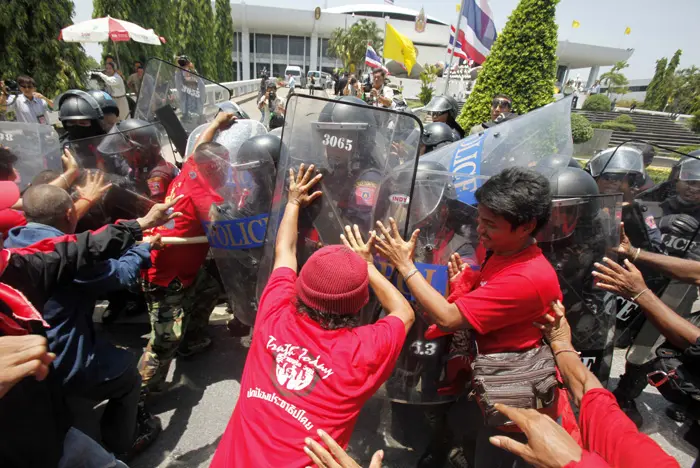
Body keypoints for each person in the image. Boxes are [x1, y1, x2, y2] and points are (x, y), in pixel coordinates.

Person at [210, 164, 415, 467]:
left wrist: (292, 201)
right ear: (360, 303)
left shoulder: (274, 315)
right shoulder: (362, 351)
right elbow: (404, 313)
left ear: (300, 288)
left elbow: (285, 252)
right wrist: (368, 266)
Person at [368, 167, 574, 467]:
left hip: (513, 402)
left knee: (492, 458)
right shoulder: (502, 252)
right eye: (479, 219)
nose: (479, 229)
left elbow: (448, 319)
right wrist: (468, 288)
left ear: (526, 226)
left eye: (490, 224)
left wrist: (405, 264)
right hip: (485, 384)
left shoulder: (528, 276)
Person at [0, 179, 180, 468]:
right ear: (71, 214)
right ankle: (126, 441)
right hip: (60, 362)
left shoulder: (13, 245)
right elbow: (119, 275)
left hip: (40, 359)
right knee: (129, 377)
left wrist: (137, 225)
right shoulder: (41, 260)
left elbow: (74, 249)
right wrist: (142, 247)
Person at [137, 112, 238, 394]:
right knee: (164, 340)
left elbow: (197, 149)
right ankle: (137, 401)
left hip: (185, 267)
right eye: (224, 167)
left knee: (208, 290)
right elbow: (224, 230)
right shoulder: (208, 197)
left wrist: (216, 125)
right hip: (166, 275)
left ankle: (191, 342)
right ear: (215, 169)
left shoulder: (192, 168)